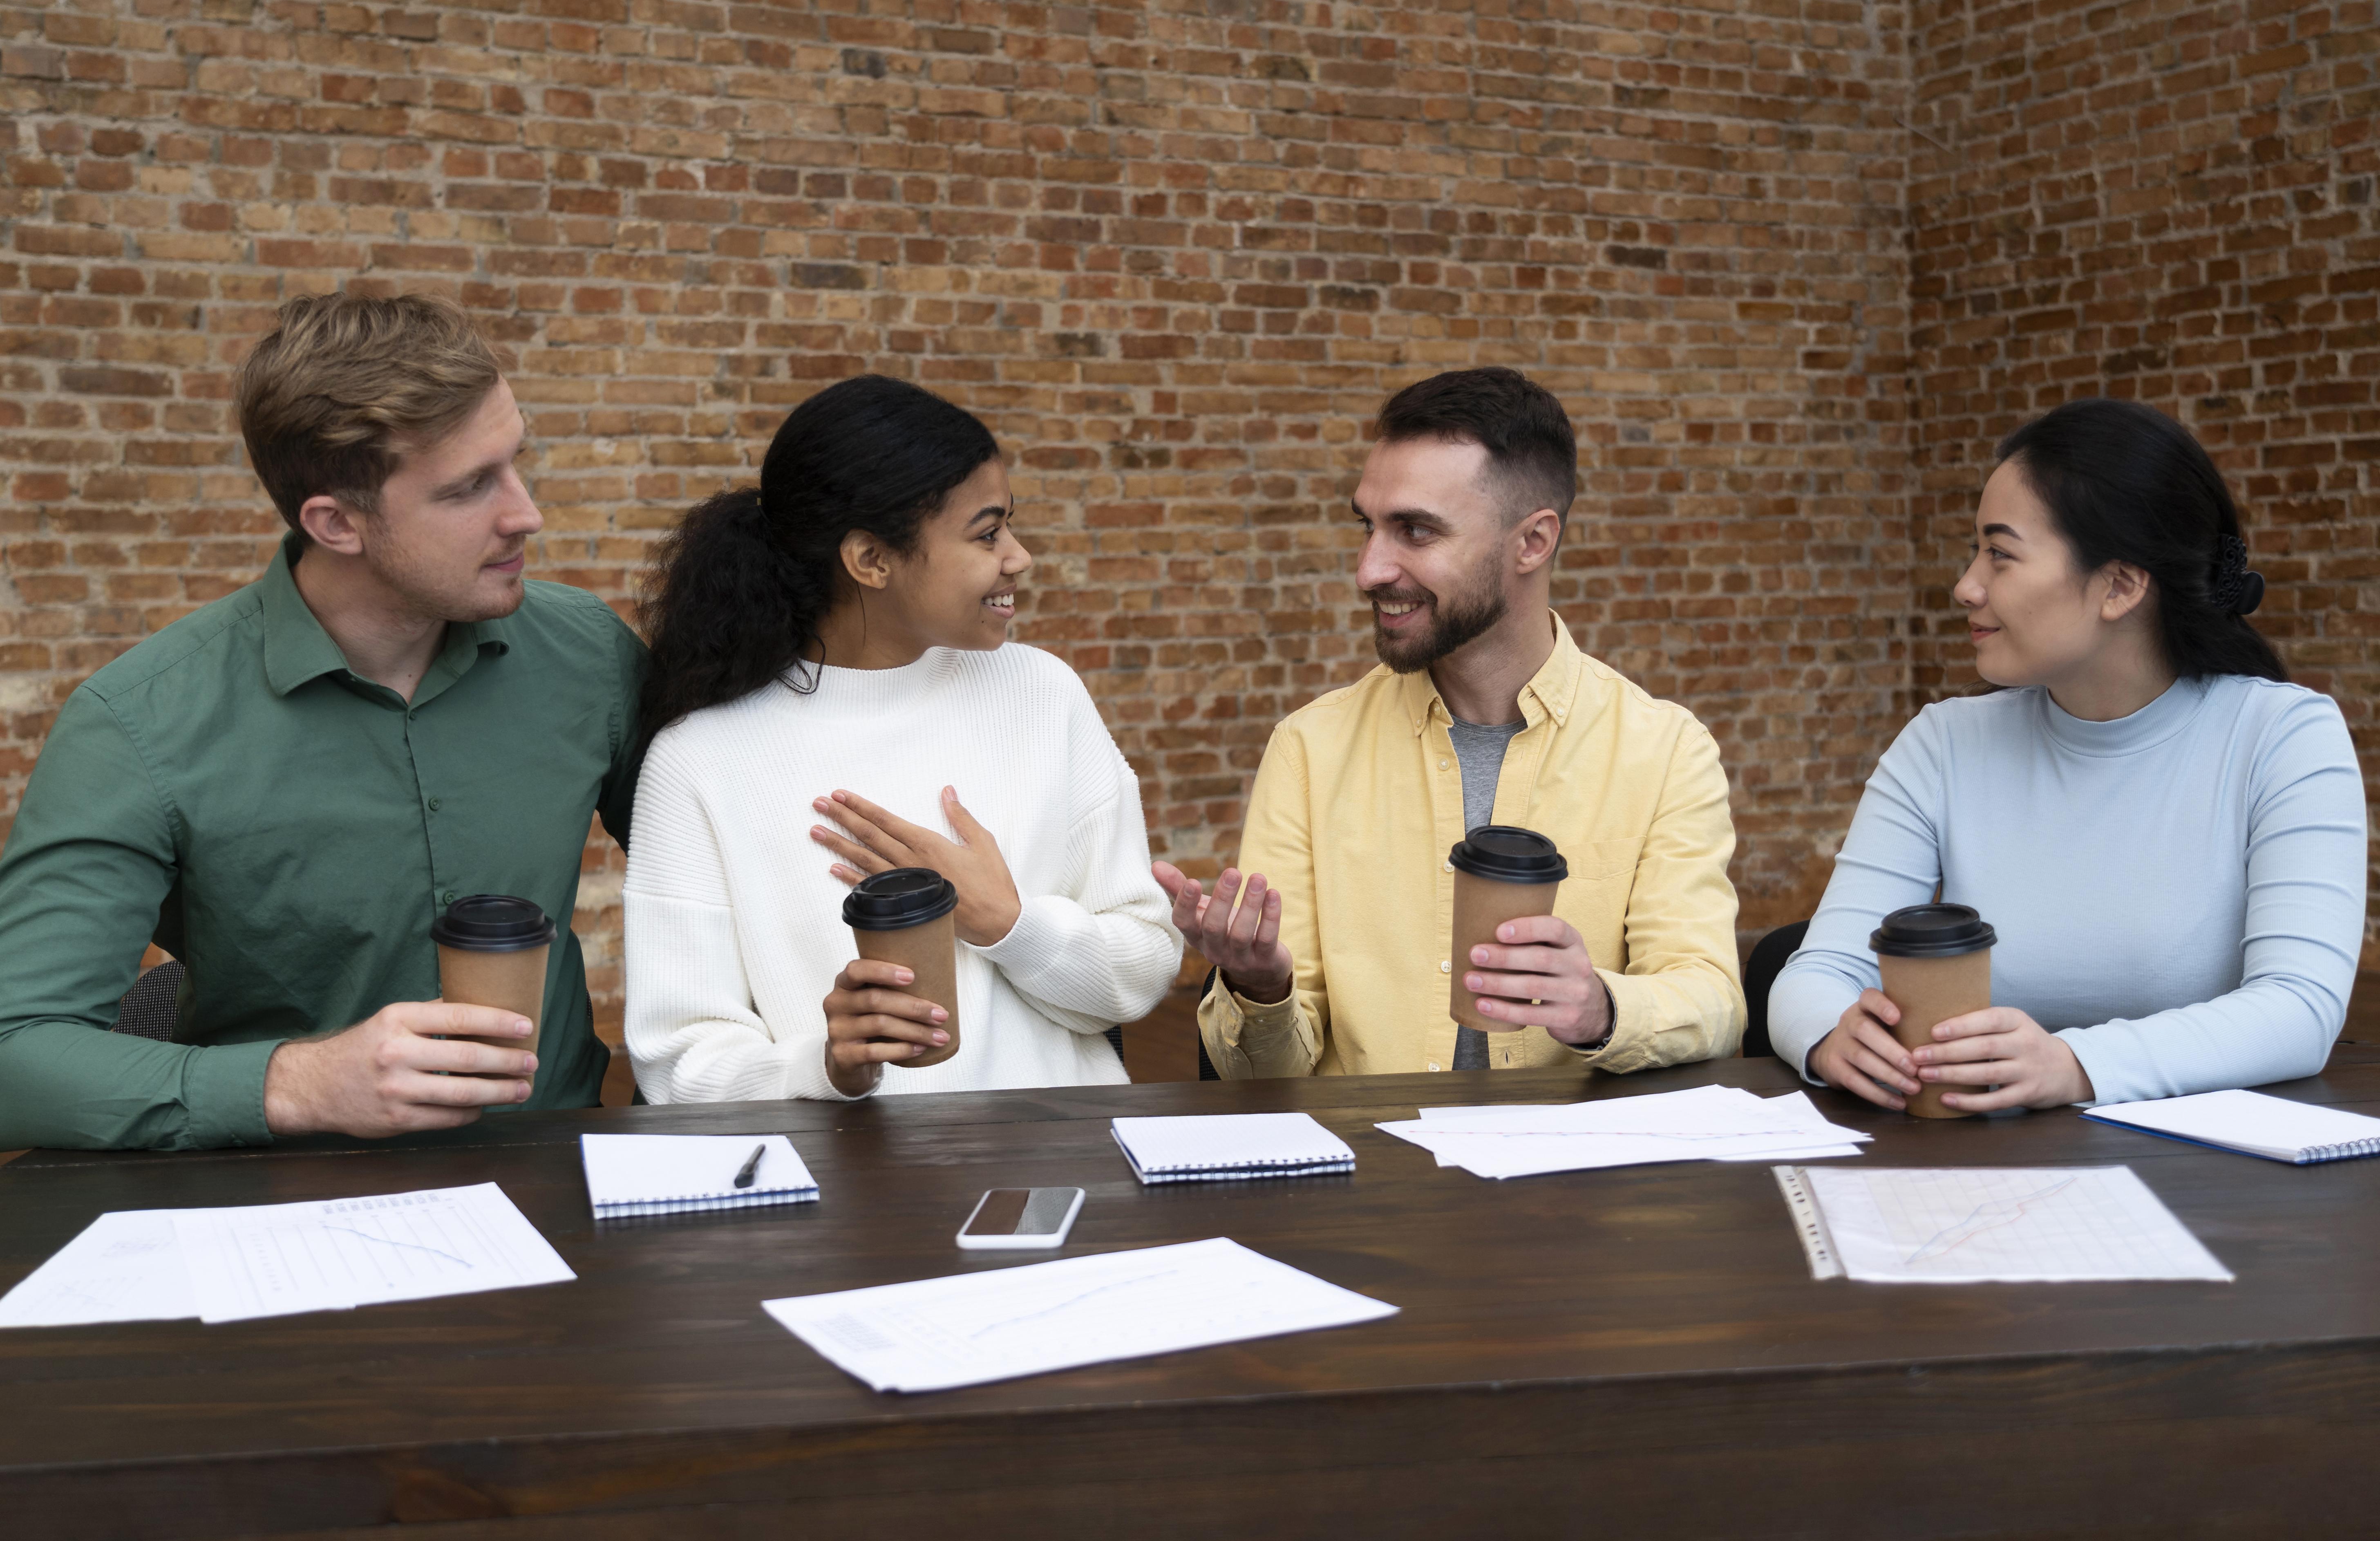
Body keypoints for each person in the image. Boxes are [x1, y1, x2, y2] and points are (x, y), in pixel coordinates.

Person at [0, 294, 647, 1150]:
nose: (524, 512)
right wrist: (299, 1083)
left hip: (564, 1175)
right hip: (285, 1208)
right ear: (336, 523)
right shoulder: (137, 727)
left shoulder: (589, 656)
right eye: (468, 488)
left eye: (514, 462)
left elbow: (729, 881)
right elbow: (17, 1054)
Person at [1770, 399, 2367, 1112]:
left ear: (2120, 584)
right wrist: (1832, 1034)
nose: (1967, 586)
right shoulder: (1943, 744)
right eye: (1975, 551)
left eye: (2001, 553)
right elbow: (1817, 971)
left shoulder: (2283, 737)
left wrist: (2075, 1064)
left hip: (2214, 1191)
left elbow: (2300, 1008)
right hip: (1985, 1173)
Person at [1159, 367, 1745, 1078]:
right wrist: (1262, 986)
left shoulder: (1665, 750)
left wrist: (1600, 1007)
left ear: (1532, 542)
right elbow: (1266, 1078)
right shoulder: (1310, 751)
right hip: (1374, 1179)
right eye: (1368, 526)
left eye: (1415, 531)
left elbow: (1712, 998)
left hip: (1576, 1176)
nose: (1370, 569)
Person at [623, 375, 1179, 1102]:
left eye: (1010, 523)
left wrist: (1009, 924)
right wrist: (824, 1064)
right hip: (842, 1192)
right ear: (870, 560)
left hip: (1065, 1164)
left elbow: (1142, 965)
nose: (1019, 557)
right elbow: (678, 1061)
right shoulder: (699, 761)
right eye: (986, 534)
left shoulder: (1043, 694)